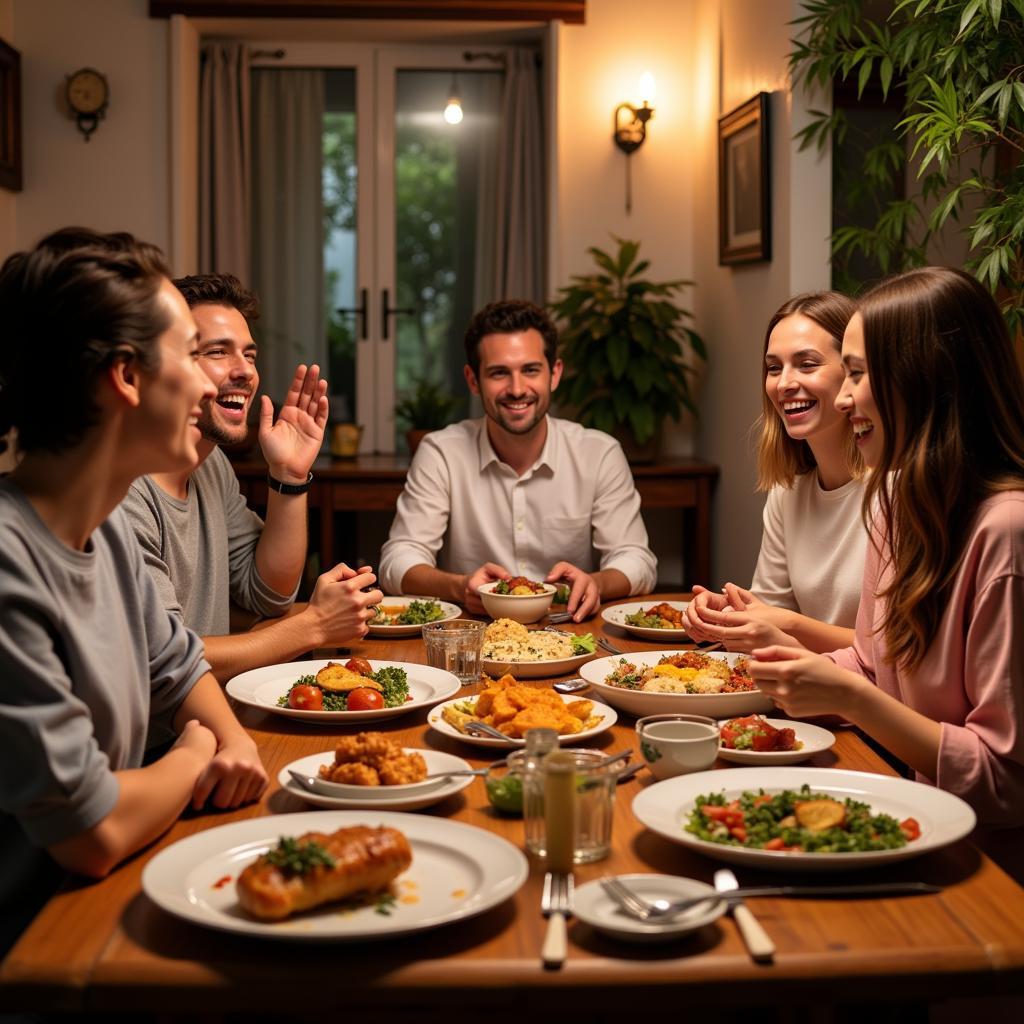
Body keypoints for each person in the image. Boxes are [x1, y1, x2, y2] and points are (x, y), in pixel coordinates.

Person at [0, 229, 267, 946]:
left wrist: (234, 737)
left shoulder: (107, 522)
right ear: (126, 376)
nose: (217, 384)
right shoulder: (7, 560)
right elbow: (94, 828)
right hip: (40, 950)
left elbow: (176, 665)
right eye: (191, 354)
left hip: (112, 895)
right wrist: (197, 752)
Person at [749, 266, 1024, 872]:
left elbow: (1007, 783)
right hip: (907, 814)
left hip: (989, 871)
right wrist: (771, 669)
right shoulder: (897, 508)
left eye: (856, 373)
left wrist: (847, 692)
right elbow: (870, 664)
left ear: (925, 380)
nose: (844, 399)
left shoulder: (1007, 533)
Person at [120, 273, 381, 683]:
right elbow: (162, 657)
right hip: (160, 742)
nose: (245, 371)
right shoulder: (122, 492)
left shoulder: (211, 464)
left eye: (250, 354)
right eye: (217, 352)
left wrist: (290, 476)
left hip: (207, 717)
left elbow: (268, 594)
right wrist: (312, 626)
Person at [379, 299, 657, 621]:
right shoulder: (441, 452)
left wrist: (595, 583)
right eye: (499, 373)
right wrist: (461, 587)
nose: (516, 388)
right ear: (473, 381)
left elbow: (637, 560)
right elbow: (397, 560)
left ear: (554, 374)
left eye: (530, 370)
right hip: (472, 636)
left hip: (570, 630)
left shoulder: (599, 453)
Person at [684, 292, 865, 653]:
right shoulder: (788, 493)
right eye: (773, 367)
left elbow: (895, 654)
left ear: (853, 373)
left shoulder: (897, 490)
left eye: (807, 364)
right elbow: (767, 617)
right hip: (802, 694)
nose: (784, 384)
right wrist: (729, 617)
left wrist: (785, 622)